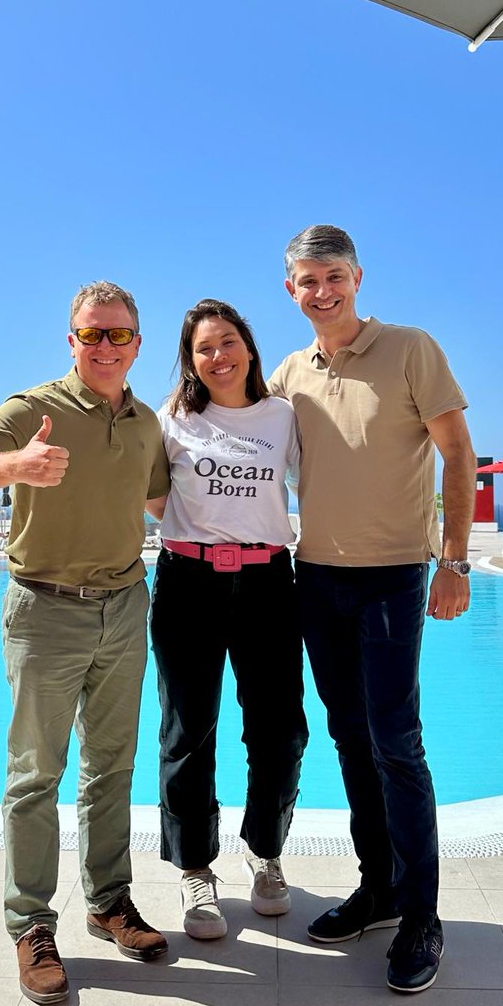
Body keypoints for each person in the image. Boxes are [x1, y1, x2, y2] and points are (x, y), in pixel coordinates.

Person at [0, 281, 171, 1006]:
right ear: (71, 342)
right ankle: (32, 925)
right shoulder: (32, 408)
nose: (105, 347)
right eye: (91, 335)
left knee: (110, 768)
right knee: (34, 774)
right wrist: (13, 467)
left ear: (137, 343)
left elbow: (167, 501)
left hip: (126, 606)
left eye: (118, 334)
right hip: (44, 610)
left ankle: (108, 903)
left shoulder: (145, 423)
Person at [269, 225, 475, 994]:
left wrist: (450, 561)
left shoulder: (411, 348)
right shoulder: (289, 371)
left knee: (395, 740)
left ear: (356, 277)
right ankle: (378, 886)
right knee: (350, 738)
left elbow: (458, 453)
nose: (320, 292)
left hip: (393, 576)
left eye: (332, 277)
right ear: (289, 289)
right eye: (306, 281)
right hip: (315, 579)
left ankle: (421, 914)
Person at [147, 299, 307, 940]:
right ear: (190, 359)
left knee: (280, 729)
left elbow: (316, 481)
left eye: (228, 342)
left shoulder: (283, 417)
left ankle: (265, 853)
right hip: (188, 582)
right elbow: (155, 495)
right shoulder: (175, 418)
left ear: (248, 346)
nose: (218, 356)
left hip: (269, 582)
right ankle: (195, 869)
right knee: (188, 732)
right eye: (203, 348)